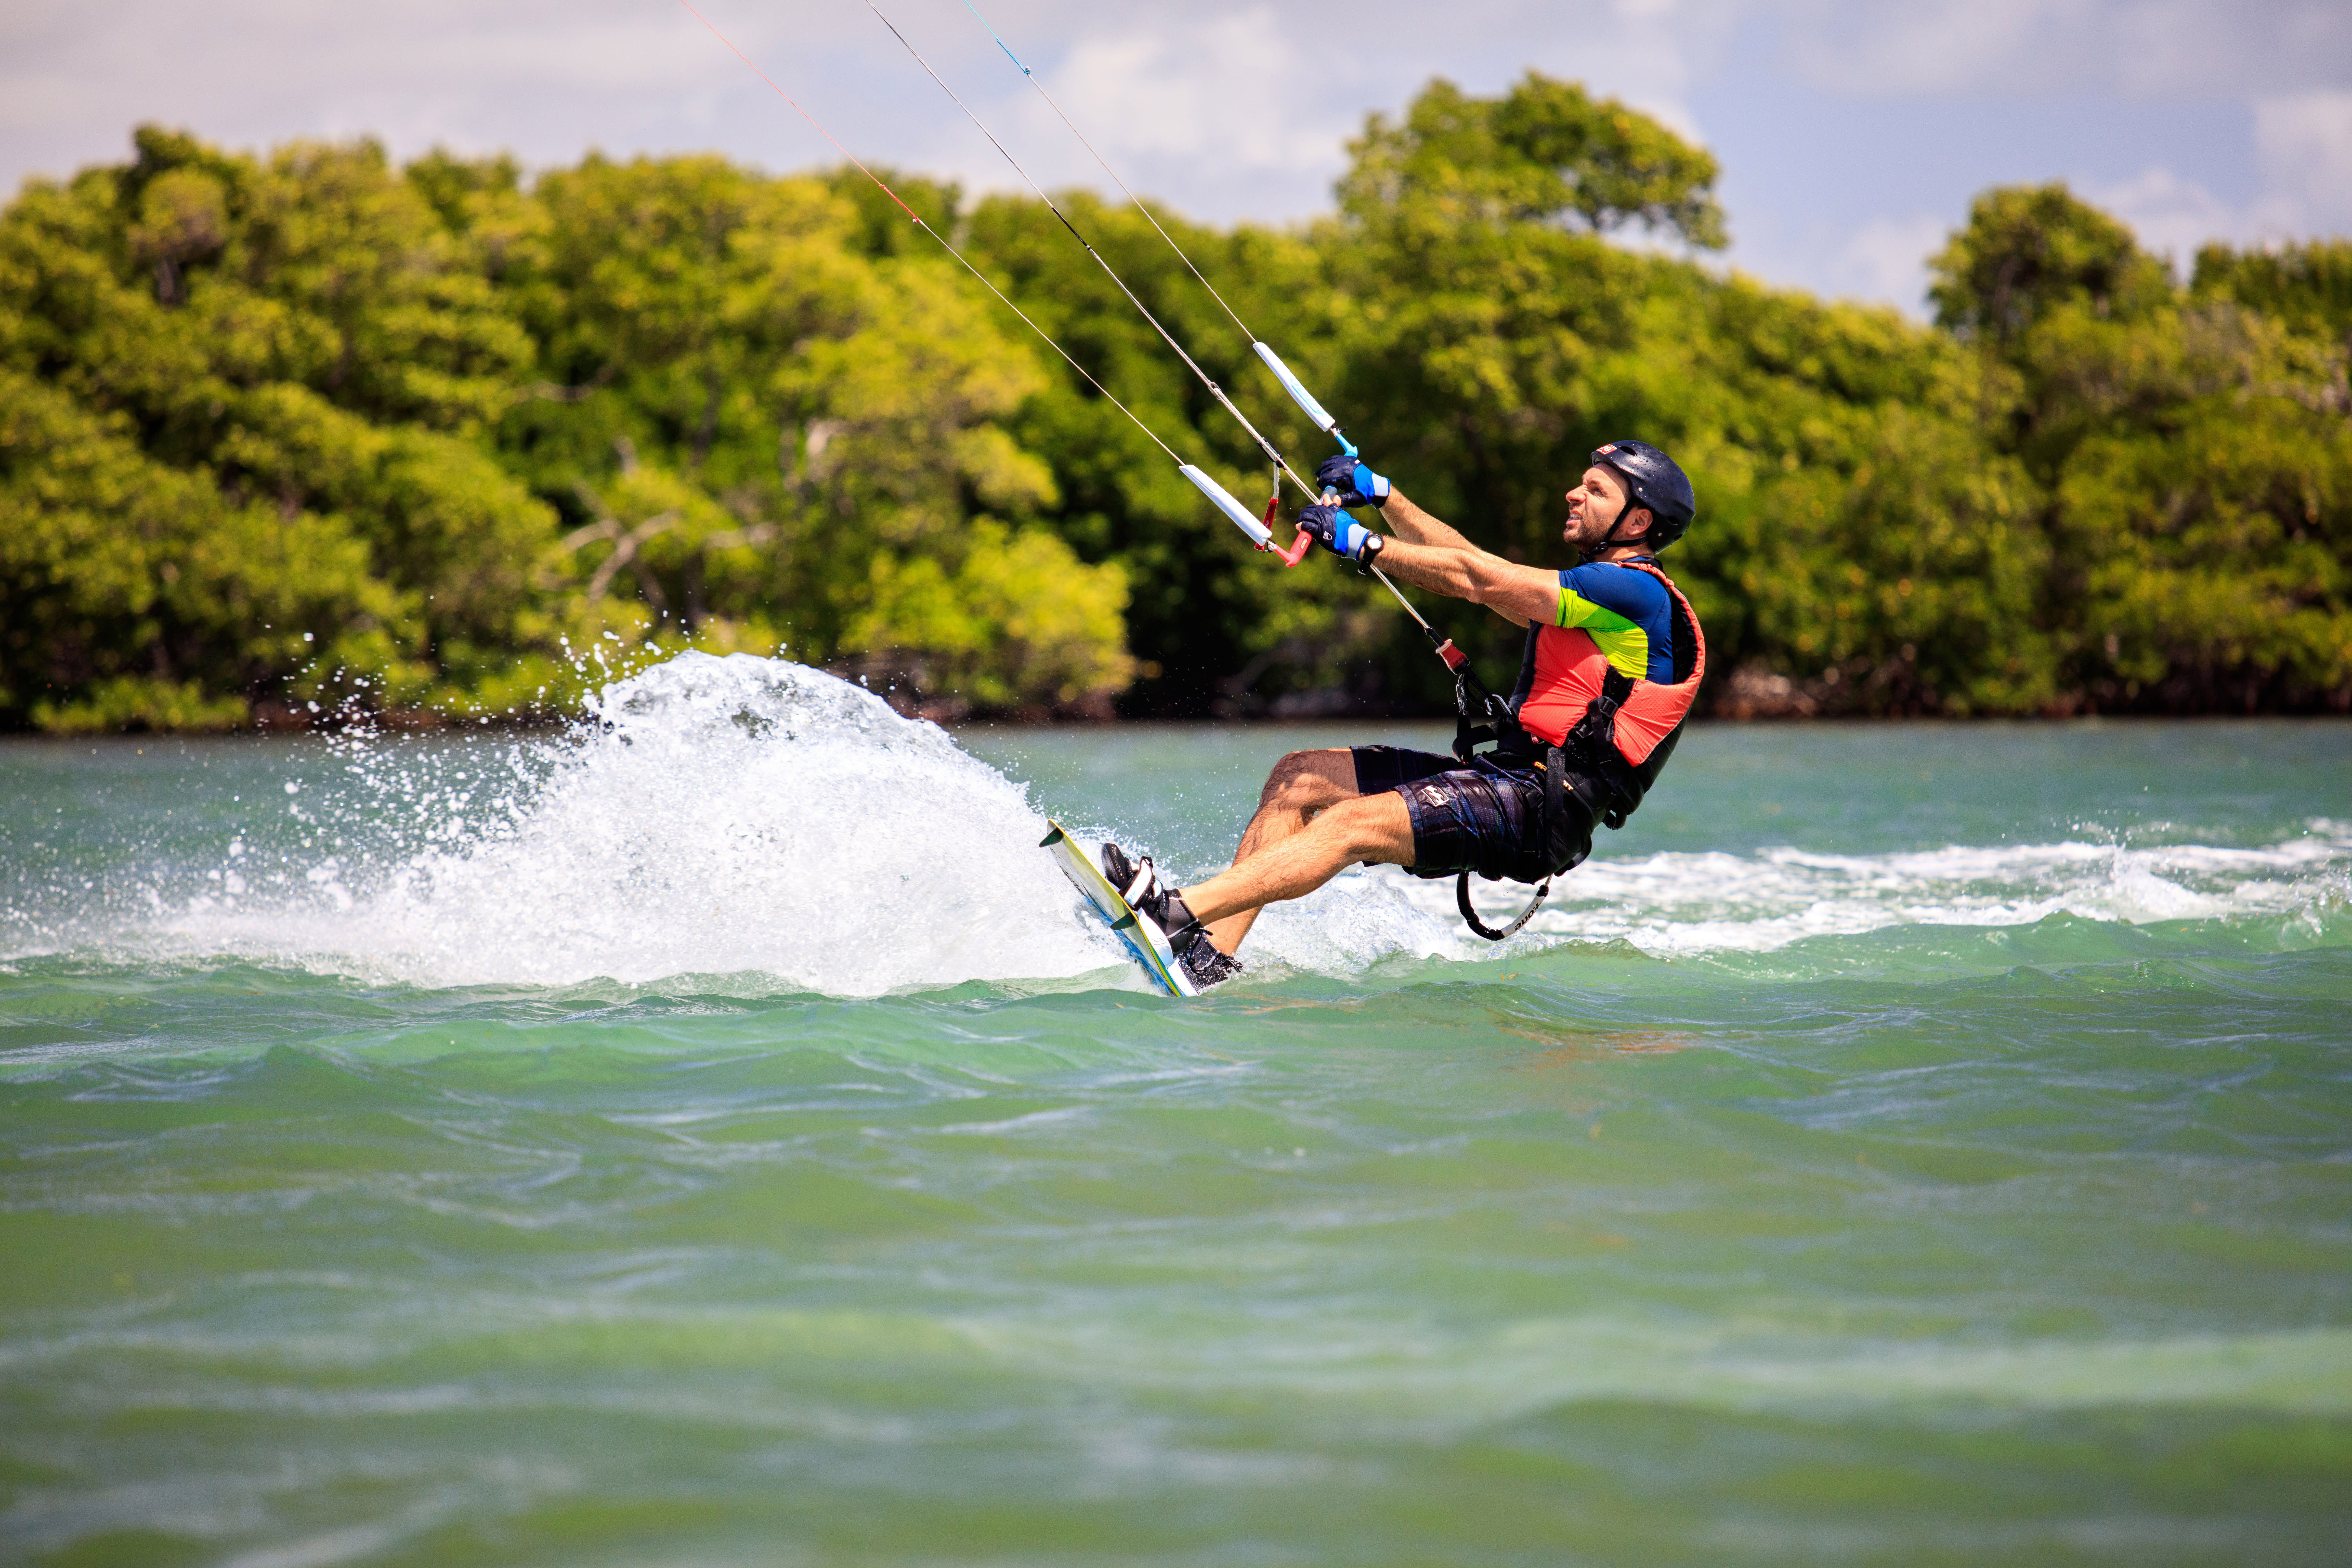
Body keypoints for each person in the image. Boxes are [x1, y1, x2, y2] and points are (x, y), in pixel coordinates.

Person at [1104, 440, 1708, 989]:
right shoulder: (1593, 597)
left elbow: (1475, 579)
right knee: (1300, 777)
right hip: (1507, 778)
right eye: (1582, 481)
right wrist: (1387, 496)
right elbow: (1471, 561)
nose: (1575, 493)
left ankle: (1177, 909)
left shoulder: (1636, 593)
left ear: (1639, 522)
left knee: (1349, 826)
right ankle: (1209, 959)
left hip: (1540, 808)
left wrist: (1367, 544)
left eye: (1597, 490)